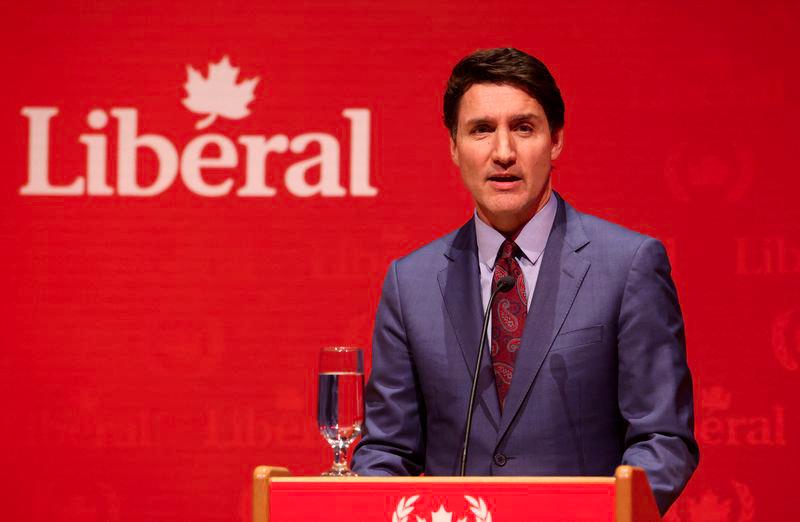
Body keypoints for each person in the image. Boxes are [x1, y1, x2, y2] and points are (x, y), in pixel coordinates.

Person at [351, 47, 698, 515]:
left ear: (555, 141)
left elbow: (662, 439)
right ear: (453, 147)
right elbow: (386, 451)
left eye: (523, 127)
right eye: (481, 130)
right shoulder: (409, 282)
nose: (503, 152)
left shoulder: (628, 264)